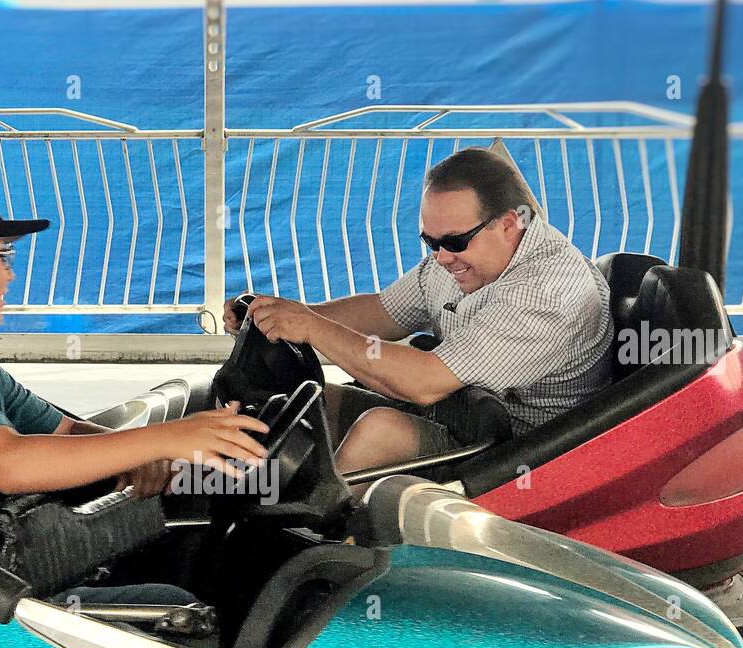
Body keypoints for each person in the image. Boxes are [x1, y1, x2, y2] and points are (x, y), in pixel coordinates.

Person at [0, 184, 266, 605]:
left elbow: (65, 430)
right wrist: (170, 436)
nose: (10, 273)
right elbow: (9, 463)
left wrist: (147, 457)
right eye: (3, 255)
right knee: (174, 604)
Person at [224, 148, 614, 476]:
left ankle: (314, 548)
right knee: (309, 402)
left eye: (455, 241)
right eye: (431, 241)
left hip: (518, 456)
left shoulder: (545, 294)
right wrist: (282, 315)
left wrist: (313, 329)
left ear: (510, 223)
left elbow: (423, 382)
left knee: (381, 431)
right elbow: (383, 312)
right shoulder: (467, 260)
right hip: (463, 412)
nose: (442, 257)